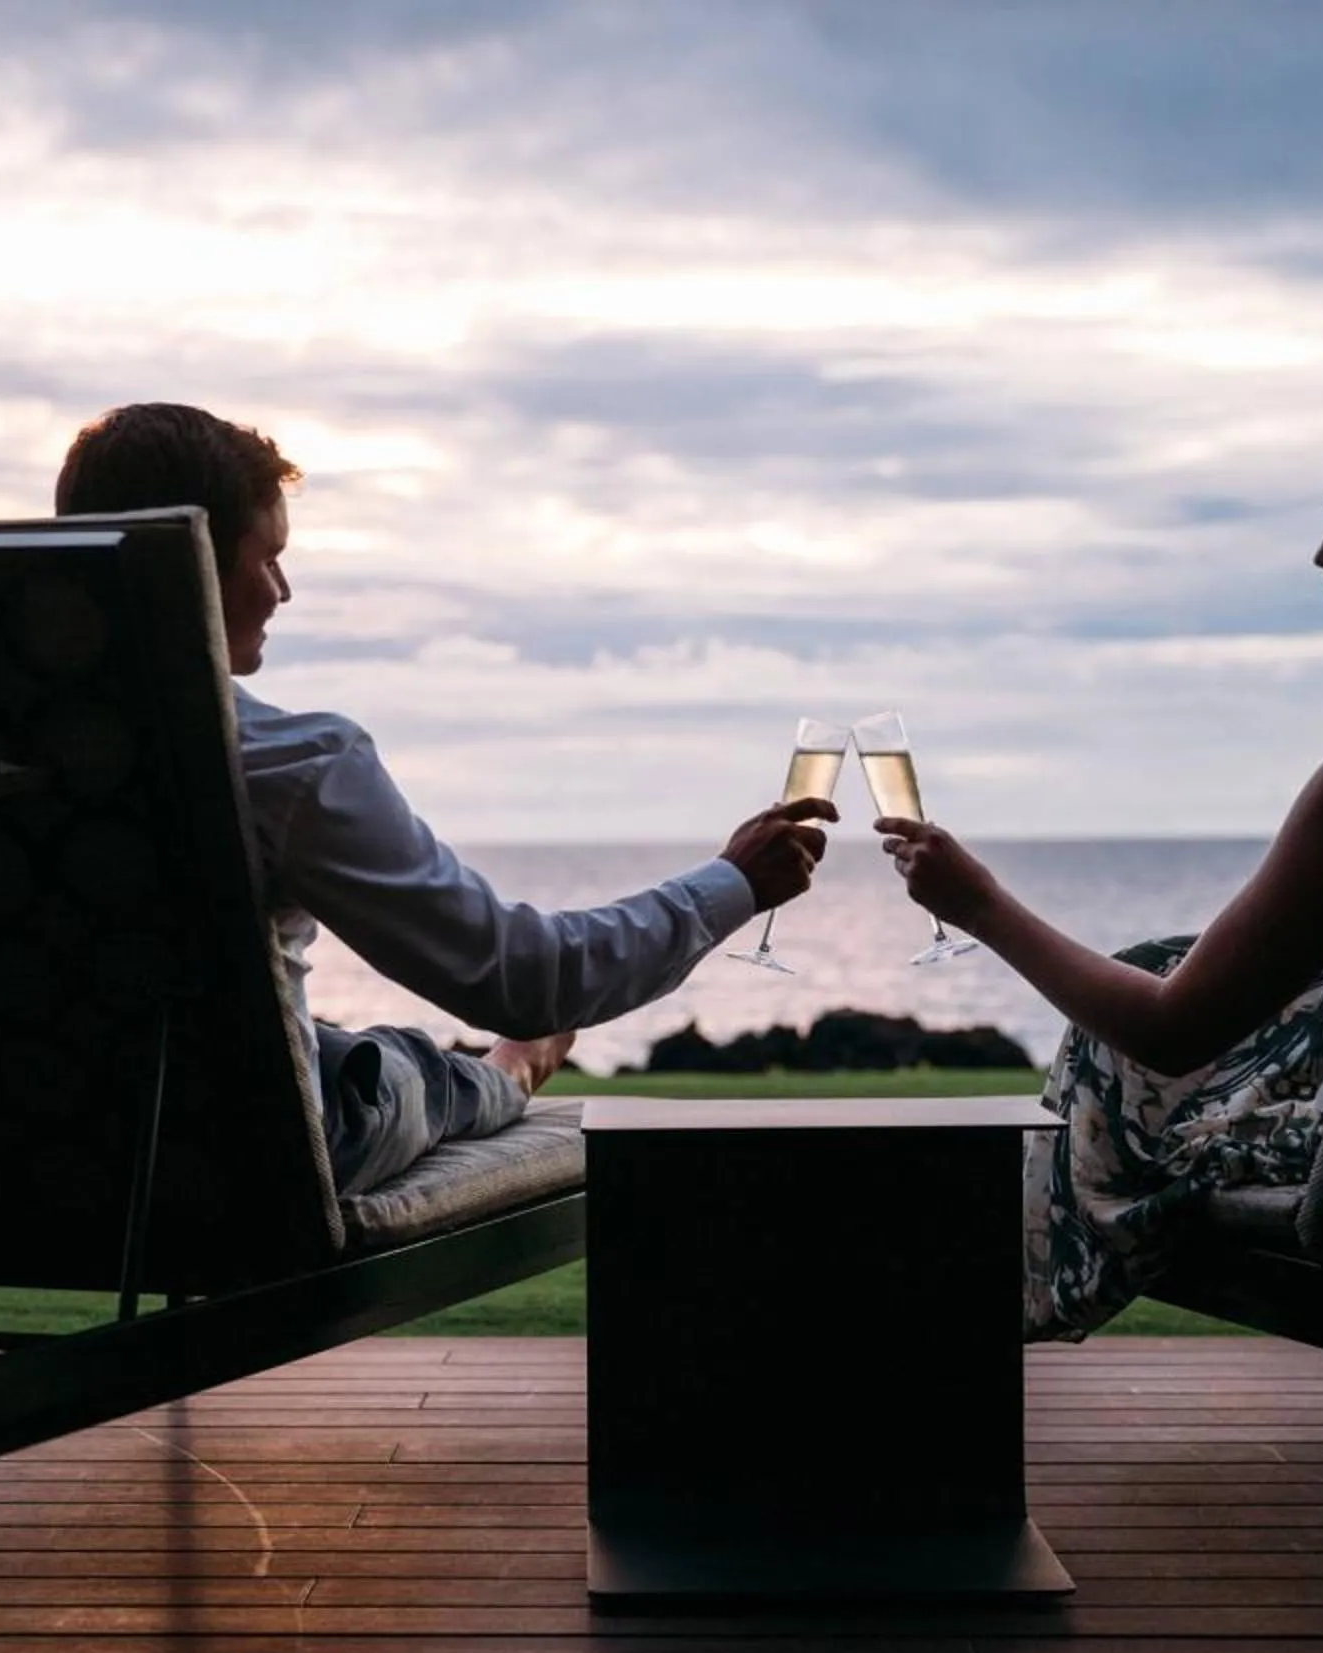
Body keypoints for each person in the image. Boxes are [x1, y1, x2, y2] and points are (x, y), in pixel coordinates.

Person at [876, 372, 1323, 1335]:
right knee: (1195, 961)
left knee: (1133, 1021)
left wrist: (981, 903)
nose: (1321, 551)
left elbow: (1172, 1032)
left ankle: (1006, 1300)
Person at [54, 402, 835, 1196]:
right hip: (237, 1166)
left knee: (334, 1048)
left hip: (41, 1150)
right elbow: (521, 980)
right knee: (408, 1070)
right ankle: (514, 1069)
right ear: (189, 569)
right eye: (269, 558)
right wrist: (735, 881)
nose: (283, 591)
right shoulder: (290, 763)